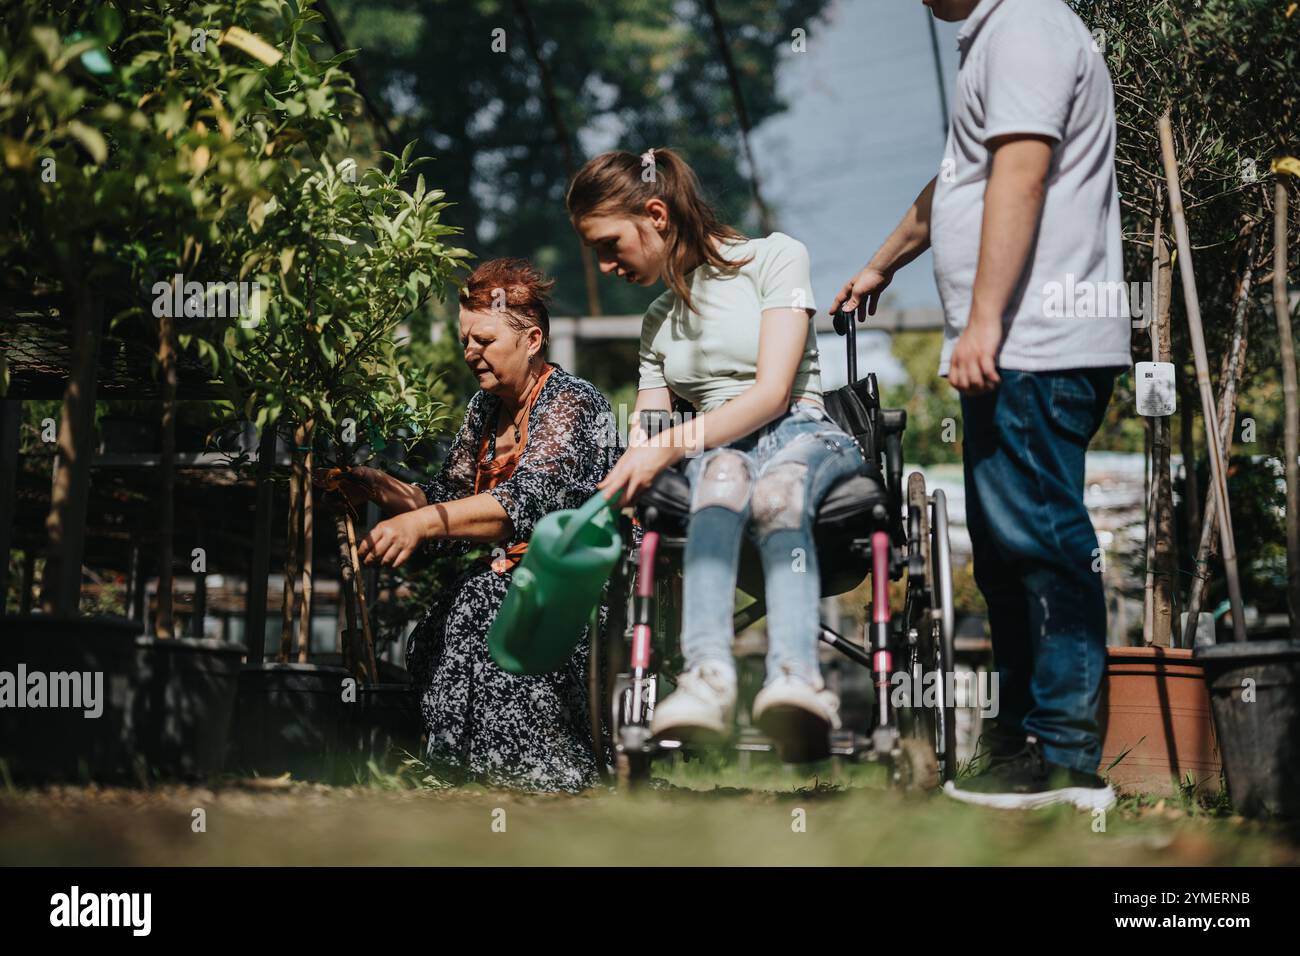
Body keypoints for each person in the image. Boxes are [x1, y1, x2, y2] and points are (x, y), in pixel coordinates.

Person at [830, 0, 1129, 809]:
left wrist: (986, 321)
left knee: (1043, 539)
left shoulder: (1028, 23)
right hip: (1014, 346)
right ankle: (1018, 746)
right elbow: (961, 179)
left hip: (1036, 339)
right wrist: (881, 264)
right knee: (1003, 549)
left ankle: (1064, 759)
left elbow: (1022, 171)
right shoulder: (996, 35)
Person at [566, 147, 868, 763]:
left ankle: (796, 679)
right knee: (725, 474)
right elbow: (651, 429)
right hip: (719, 454)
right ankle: (706, 680)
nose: (604, 265)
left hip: (802, 434)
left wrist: (669, 443)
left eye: (608, 244)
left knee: (775, 487)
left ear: (655, 214)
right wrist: (626, 476)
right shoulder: (656, 321)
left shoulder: (776, 257)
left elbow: (771, 394)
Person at [328, 258, 621, 792]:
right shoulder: (483, 411)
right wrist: (381, 488)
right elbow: (448, 502)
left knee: (482, 606)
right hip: (506, 583)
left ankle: (538, 774)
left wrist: (421, 523)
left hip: (572, 595)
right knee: (445, 622)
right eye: (465, 340)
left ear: (532, 339)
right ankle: (462, 777)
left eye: (483, 340)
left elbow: (524, 502)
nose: (469, 352)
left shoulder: (575, 404)